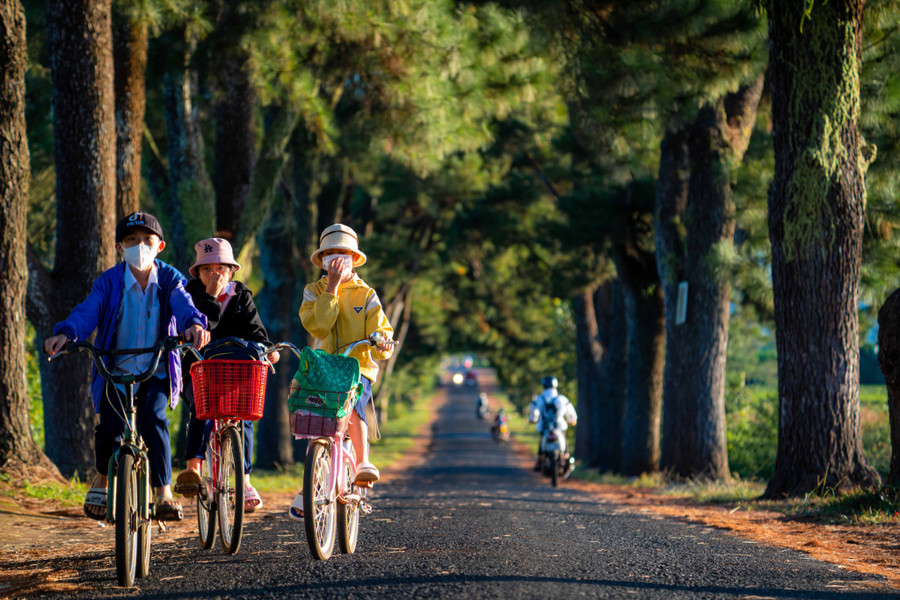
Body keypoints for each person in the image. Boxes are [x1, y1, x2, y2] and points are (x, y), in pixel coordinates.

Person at [44, 211, 210, 521]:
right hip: (115, 369)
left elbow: (184, 303)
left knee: (152, 418)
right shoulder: (109, 281)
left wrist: (193, 325)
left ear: (160, 246)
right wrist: (66, 333)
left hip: (155, 369)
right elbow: (87, 311)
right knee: (108, 425)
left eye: (147, 240)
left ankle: (163, 491)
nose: (140, 246)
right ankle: (103, 479)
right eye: (131, 240)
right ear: (120, 247)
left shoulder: (170, 278)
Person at [290, 224, 395, 520]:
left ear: (354, 257)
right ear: (322, 259)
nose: (337, 259)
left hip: (356, 366)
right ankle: (313, 483)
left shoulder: (366, 294)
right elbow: (319, 326)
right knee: (314, 420)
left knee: (352, 405)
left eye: (343, 253)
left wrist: (382, 343)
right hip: (323, 367)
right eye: (331, 253)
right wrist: (332, 289)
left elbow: (381, 331)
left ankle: (362, 464)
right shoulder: (313, 291)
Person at [174, 238, 279, 513]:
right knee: (202, 407)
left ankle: (244, 481)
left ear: (232, 271)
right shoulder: (189, 295)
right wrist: (209, 297)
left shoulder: (241, 295)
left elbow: (257, 332)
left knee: (243, 416)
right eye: (207, 268)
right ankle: (193, 469)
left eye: (221, 267)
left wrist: (268, 350)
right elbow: (201, 327)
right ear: (198, 272)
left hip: (234, 374)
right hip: (199, 372)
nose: (215, 274)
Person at [528, 376, 577, 470]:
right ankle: (566, 458)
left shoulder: (539, 399)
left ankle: (540, 460)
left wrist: (533, 419)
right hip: (559, 427)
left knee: (541, 444)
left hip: (544, 427)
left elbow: (534, 412)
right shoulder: (561, 399)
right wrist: (572, 421)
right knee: (565, 444)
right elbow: (571, 413)